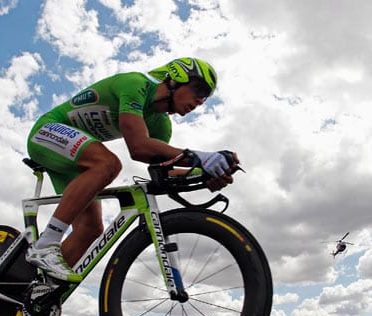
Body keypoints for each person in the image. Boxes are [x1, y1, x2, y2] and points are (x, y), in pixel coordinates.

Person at [26, 57, 239, 283]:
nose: (200, 101)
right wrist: (199, 158)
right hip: (47, 133)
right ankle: (46, 244)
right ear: (177, 77)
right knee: (108, 164)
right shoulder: (135, 84)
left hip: (74, 158)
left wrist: (204, 175)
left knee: (90, 229)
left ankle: (37, 291)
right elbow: (138, 147)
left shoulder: (161, 125)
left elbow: (162, 172)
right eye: (199, 90)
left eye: (205, 98)